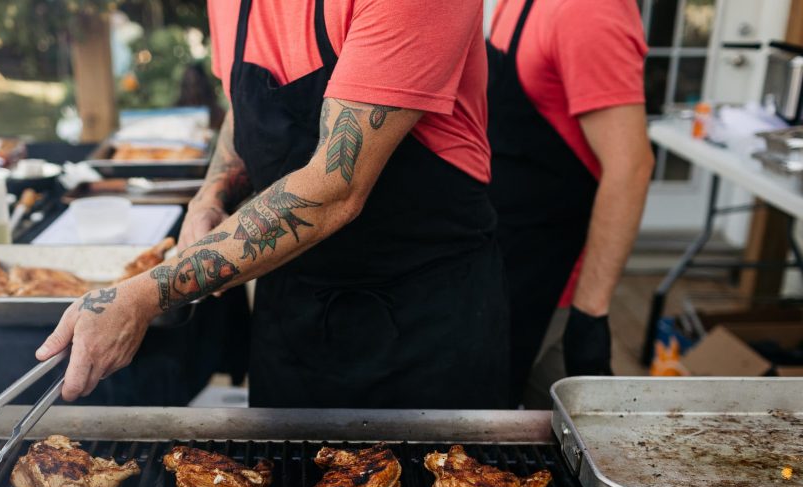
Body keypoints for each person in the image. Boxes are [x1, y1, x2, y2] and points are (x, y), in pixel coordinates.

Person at [38, 0, 509, 408]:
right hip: (292, 308)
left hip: (421, 318)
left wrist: (145, 295)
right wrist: (211, 194)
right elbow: (244, 112)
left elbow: (335, 188)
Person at [486, 0, 654, 405]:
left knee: (560, 447)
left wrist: (589, 314)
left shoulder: (590, 11)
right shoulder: (516, 4)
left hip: (553, 283)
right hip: (505, 258)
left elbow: (630, 166)